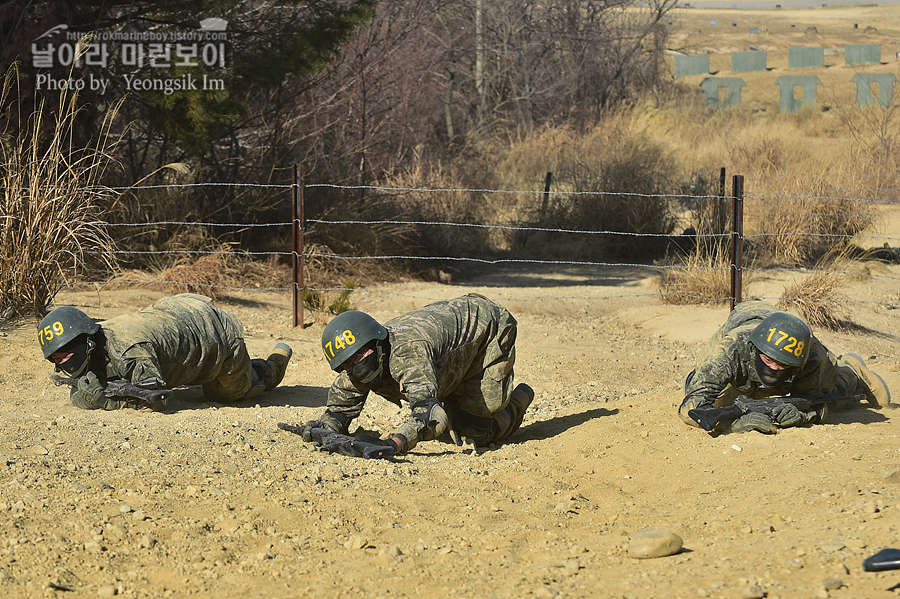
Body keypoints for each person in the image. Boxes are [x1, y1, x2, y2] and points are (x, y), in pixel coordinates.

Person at [299, 293, 534, 454]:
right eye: (345, 365)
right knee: (450, 414)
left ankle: (517, 403)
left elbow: (430, 415)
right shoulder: (359, 360)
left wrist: (396, 443)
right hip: (447, 346)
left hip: (488, 327)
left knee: (474, 433)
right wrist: (326, 429)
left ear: (377, 345)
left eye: (357, 357)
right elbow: (340, 410)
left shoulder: (407, 353)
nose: (352, 369)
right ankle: (458, 399)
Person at [37, 293, 292, 411]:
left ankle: (274, 362)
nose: (61, 363)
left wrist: (102, 401)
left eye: (66, 356)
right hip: (177, 312)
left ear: (87, 343)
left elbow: (156, 399)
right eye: (56, 359)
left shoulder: (129, 352)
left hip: (216, 335)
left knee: (229, 393)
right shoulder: (92, 332)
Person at [678, 300, 890, 434]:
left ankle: (851, 371)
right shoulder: (732, 349)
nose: (774, 368)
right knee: (715, 400)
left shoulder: (809, 357)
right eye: (768, 361)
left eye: (782, 365)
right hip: (747, 322)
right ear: (756, 350)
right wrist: (732, 424)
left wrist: (802, 416)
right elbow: (691, 407)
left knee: (833, 397)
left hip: (794, 331)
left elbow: (817, 405)